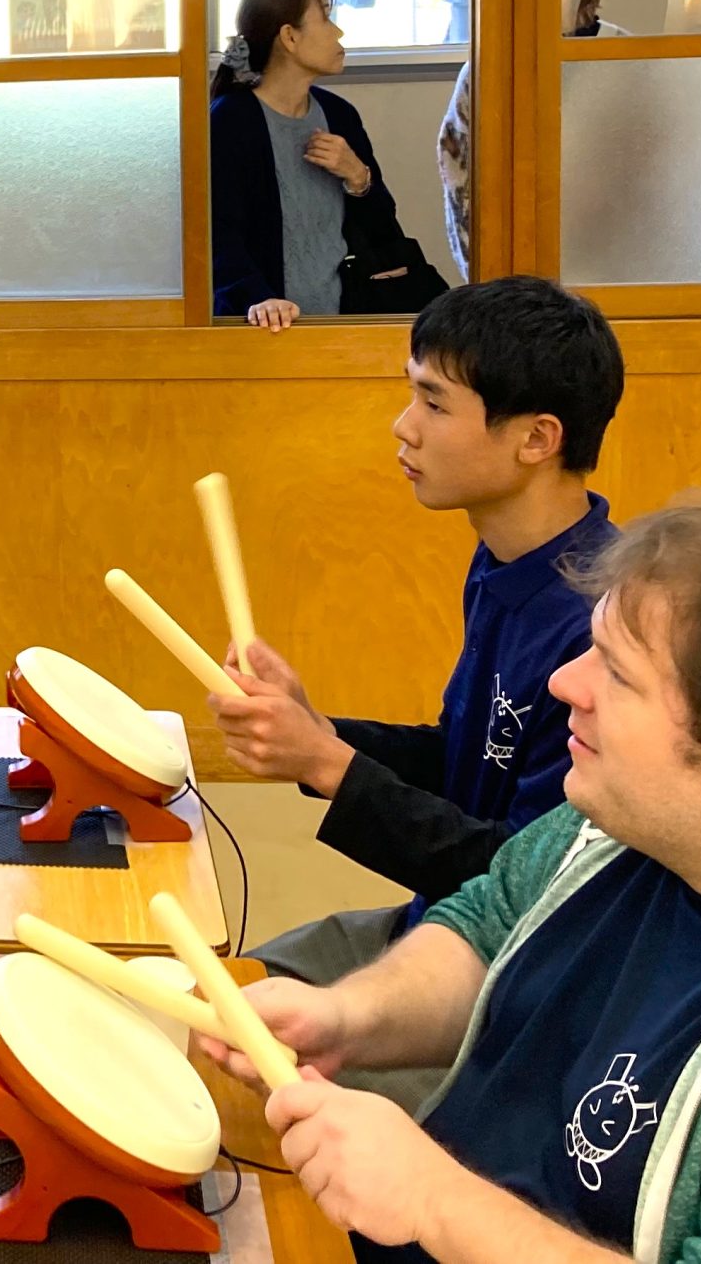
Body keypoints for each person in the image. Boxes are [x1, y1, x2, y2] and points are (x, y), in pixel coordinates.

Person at [198, 496, 701, 1264]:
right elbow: (494, 923)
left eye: (619, 673)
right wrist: (350, 1017)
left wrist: (435, 1200)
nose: (565, 684)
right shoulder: (638, 808)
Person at [208, 278, 623, 1014]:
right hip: (438, 923)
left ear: (537, 439)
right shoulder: (506, 562)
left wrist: (326, 764)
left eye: (434, 403)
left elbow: (523, 882)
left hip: (510, 984)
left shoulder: (603, 630)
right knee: (209, 996)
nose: (404, 426)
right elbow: (467, 760)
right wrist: (319, 731)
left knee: (231, 1032)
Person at [211, 0, 442, 330]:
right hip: (265, 327)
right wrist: (257, 297)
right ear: (289, 37)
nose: (339, 33)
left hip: (348, 317)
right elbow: (216, 235)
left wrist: (358, 177)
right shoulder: (229, 121)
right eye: (326, 18)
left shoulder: (338, 114)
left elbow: (382, 226)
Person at [436, 0, 626, 280]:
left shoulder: (622, 52)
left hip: (616, 256)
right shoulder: (487, 66)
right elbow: (459, 176)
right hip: (519, 254)